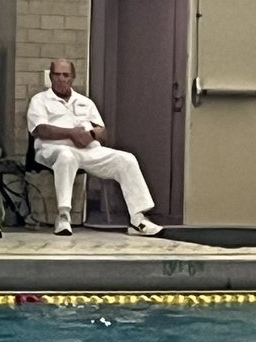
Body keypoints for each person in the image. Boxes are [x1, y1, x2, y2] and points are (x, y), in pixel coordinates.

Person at [27, 59, 163, 238]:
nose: (61, 79)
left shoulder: (85, 102)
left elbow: (102, 132)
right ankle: (63, 216)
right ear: (51, 77)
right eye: (57, 75)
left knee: (127, 159)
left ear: (73, 78)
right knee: (67, 156)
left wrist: (90, 135)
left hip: (89, 150)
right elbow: (39, 129)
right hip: (53, 149)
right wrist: (71, 134)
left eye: (65, 75)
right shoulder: (40, 100)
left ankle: (138, 219)